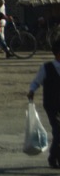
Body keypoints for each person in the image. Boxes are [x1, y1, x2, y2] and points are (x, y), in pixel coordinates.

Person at [27, 39, 60, 169]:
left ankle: (55, 155)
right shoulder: (47, 67)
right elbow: (37, 82)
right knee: (58, 130)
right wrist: (31, 91)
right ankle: (53, 157)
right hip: (52, 104)